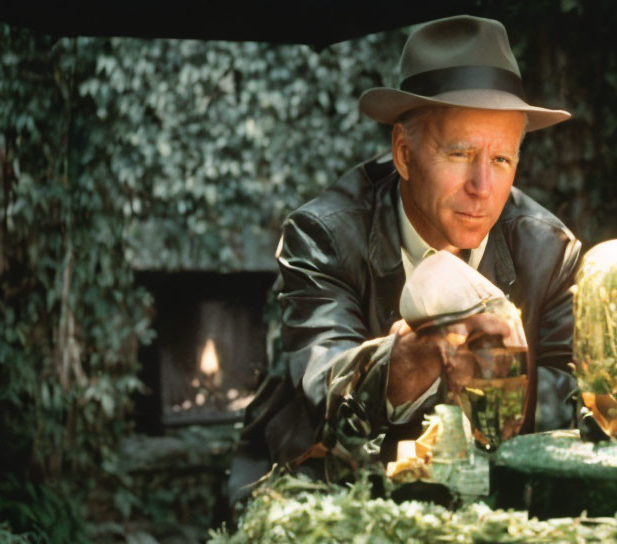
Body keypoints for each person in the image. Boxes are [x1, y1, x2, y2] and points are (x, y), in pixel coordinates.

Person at [228, 15, 582, 504]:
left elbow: (589, 393)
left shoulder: (548, 249)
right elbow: (320, 384)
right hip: (317, 490)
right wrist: (402, 363)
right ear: (403, 153)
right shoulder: (325, 235)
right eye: (459, 154)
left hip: (471, 508)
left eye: (501, 160)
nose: (482, 188)